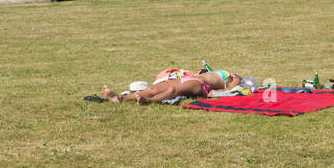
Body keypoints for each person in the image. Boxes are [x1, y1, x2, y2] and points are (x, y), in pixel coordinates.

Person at [102, 67, 240, 105]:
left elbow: (230, 89)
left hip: (200, 85)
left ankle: (149, 101)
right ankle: (120, 98)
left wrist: (220, 90)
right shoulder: (219, 72)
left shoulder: (235, 77)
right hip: (189, 78)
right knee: (152, 89)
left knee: (172, 90)